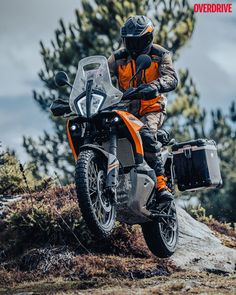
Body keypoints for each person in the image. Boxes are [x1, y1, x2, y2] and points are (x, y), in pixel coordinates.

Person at [108, 15, 178, 202]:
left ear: (148, 38)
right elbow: (99, 76)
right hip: (125, 109)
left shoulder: (160, 54)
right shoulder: (118, 58)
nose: (133, 45)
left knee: (145, 134)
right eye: (130, 40)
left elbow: (171, 78)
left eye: (138, 41)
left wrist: (155, 86)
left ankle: (162, 185)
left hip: (151, 108)